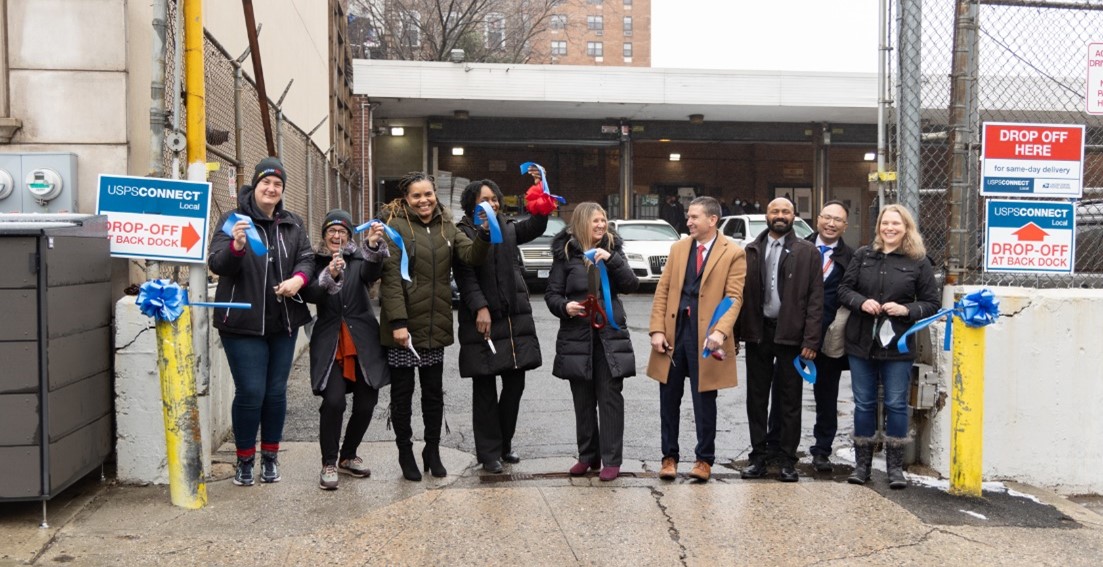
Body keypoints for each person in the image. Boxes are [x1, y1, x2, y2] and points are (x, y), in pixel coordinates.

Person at [208, 156, 315, 487]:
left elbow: (307, 259)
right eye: (265, 183)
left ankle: (270, 456)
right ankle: (243, 460)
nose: (271, 189)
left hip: (283, 323)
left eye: (278, 184)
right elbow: (217, 263)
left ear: (282, 190)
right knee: (251, 391)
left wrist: (298, 279)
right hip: (241, 323)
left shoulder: (292, 223)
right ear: (254, 186)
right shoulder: (233, 221)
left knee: (275, 392)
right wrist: (238, 247)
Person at [378, 172, 490, 482]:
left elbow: (470, 256)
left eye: (428, 194)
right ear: (406, 199)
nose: (424, 200)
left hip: (435, 324)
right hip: (404, 328)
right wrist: (398, 323)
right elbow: (390, 280)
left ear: (435, 195)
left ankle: (432, 449)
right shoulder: (395, 227)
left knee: (433, 394)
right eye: (417, 196)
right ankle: (405, 451)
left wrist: (483, 233)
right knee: (402, 396)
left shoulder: (447, 226)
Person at [837, 204, 939, 489]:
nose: (889, 228)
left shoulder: (918, 261)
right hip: (862, 342)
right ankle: (862, 465)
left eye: (896, 224)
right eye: (885, 223)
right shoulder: (863, 256)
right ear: (878, 227)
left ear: (906, 228)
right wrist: (861, 302)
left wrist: (906, 310)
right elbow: (844, 290)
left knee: (896, 404)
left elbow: (932, 303)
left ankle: (895, 468)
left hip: (898, 344)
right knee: (864, 404)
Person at [647, 196, 746, 482]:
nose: (688, 221)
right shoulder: (678, 248)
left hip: (707, 336)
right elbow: (663, 291)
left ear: (712, 220)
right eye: (688, 217)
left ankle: (704, 460)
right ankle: (669, 457)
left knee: (704, 400)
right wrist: (656, 330)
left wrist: (720, 331)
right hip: (674, 332)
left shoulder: (733, 253)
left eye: (694, 217)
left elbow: (734, 297)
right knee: (668, 398)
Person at [454, 178, 549, 473]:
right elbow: (465, 277)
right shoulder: (463, 233)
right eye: (486, 199)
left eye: (495, 199)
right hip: (482, 319)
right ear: (472, 204)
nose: (492, 204)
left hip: (513, 320)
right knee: (484, 387)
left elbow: (535, 227)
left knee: (514, 384)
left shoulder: (507, 226)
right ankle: (489, 452)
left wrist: (541, 200)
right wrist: (480, 307)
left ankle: (505, 443)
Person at [545, 202, 639, 481]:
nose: (601, 225)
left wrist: (611, 259)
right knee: (582, 400)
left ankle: (612, 460)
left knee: (610, 397)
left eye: (604, 220)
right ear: (582, 222)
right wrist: (565, 307)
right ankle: (588, 456)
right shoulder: (565, 254)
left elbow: (631, 285)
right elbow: (551, 294)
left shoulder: (613, 249)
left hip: (610, 336)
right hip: (577, 338)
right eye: (595, 221)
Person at [734, 197, 823, 483]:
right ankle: (758, 457)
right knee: (756, 399)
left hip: (792, 336)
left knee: (789, 400)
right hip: (758, 334)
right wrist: (736, 334)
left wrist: (811, 340)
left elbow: (815, 300)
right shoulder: (751, 250)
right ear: (766, 214)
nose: (780, 215)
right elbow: (738, 296)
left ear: (794, 216)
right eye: (775, 211)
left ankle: (787, 460)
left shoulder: (808, 252)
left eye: (786, 211)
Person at [301, 210, 389, 491]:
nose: (336, 236)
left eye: (342, 232)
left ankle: (348, 455)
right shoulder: (315, 263)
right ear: (324, 235)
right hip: (329, 342)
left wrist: (374, 245)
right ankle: (329, 461)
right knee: (335, 402)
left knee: (366, 403)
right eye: (331, 232)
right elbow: (311, 294)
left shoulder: (360, 258)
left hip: (362, 340)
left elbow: (372, 273)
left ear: (350, 236)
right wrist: (330, 274)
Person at [805, 200, 854, 472]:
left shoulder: (851, 257)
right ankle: (778, 448)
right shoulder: (798, 248)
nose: (831, 223)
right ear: (818, 218)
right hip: (794, 332)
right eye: (827, 217)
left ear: (845, 226)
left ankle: (822, 450)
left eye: (838, 220)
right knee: (784, 394)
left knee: (826, 397)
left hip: (828, 337)